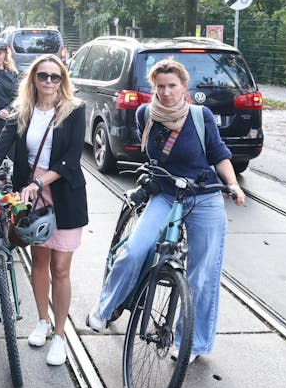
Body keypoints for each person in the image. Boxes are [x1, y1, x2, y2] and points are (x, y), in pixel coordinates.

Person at [84, 58, 246, 358]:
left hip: (203, 195)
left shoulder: (201, 116)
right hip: (166, 193)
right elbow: (151, 156)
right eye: (161, 86)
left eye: (172, 86)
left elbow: (219, 154)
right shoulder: (146, 113)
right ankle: (105, 308)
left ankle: (193, 343)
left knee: (202, 274)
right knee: (135, 250)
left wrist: (233, 184)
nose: (167, 92)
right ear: (154, 87)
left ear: (184, 86)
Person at [0, 53, 87, 366]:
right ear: (34, 79)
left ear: (63, 80)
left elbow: (71, 158)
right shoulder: (22, 113)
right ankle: (42, 321)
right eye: (43, 76)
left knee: (61, 268)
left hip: (64, 195)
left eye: (56, 77)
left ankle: (60, 335)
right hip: (30, 198)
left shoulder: (74, 110)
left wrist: (40, 184)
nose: (50, 82)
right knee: (39, 261)